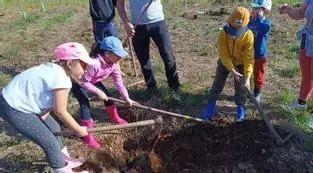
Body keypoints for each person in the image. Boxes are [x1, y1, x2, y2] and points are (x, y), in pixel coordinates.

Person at [0, 42, 95, 173]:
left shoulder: (54, 69)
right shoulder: (62, 79)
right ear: (70, 63)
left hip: (23, 101)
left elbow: (43, 96)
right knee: (50, 144)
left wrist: (42, 114)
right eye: (83, 65)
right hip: (14, 108)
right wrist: (78, 129)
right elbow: (61, 112)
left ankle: (66, 160)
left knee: (54, 127)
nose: (86, 69)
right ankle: (62, 170)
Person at [71, 36, 135, 149]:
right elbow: (83, 82)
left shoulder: (114, 64)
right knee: (85, 104)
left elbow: (118, 82)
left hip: (93, 81)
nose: (120, 57)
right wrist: (97, 92)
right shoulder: (95, 64)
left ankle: (115, 118)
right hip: (78, 82)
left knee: (108, 97)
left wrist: (126, 97)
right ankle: (87, 136)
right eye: (117, 55)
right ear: (107, 54)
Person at [117, 0, 181, 101]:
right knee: (143, 60)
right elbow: (120, 4)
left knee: (168, 55)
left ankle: (175, 88)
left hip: (158, 23)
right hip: (137, 26)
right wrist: (126, 23)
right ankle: (151, 87)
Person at [201, 7, 254, 121]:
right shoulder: (223, 33)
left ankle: (240, 108)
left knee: (241, 87)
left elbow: (248, 58)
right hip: (225, 62)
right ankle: (210, 106)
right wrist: (231, 69)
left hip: (240, 64)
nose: (234, 35)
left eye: (238, 32)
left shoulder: (249, 35)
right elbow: (223, 54)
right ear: (229, 22)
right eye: (233, 30)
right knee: (217, 84)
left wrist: (248, 76)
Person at [279, 0, 313, 129]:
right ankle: (301, 102)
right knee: (306, 72)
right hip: (307, 37)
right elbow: (301, 13)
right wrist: (289, 10)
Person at [248, 0, 272, 103]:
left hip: (259, 54)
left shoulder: (265, 23)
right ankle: (246, 91)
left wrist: (258, 19)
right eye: (253, 8)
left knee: (258, 73)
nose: (253, 10)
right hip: (248, 52)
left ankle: (257, 92)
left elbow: (262, 29)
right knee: (246, 71)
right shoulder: (250, 20)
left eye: (257, 9)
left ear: (264, 11)